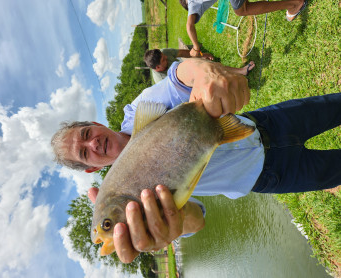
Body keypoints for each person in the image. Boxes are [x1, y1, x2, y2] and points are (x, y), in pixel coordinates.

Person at [51, 59, 340, 263]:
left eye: (87, 134)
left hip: (267, 121)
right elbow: (197, 218)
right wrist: (168, 225)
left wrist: (202, 71)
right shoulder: (133, 201)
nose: (93, 143)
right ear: (91, 168)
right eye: (85, 152)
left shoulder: (139, 109)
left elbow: (180, 77)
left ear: (93, 123)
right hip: (270, 174)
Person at [180, 0, 308, 58]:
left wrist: (196, 48)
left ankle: (295, 4)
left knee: (242, 9)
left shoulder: (191, 4)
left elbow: (189, 25)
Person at [144, 48, 214, 83]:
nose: (166, 57)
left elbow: (183, 53)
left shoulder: (164, 52)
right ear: (158, 68)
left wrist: (202, 55)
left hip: (185, 67)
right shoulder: (162, 80)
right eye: (163, 59)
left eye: (163, 55)